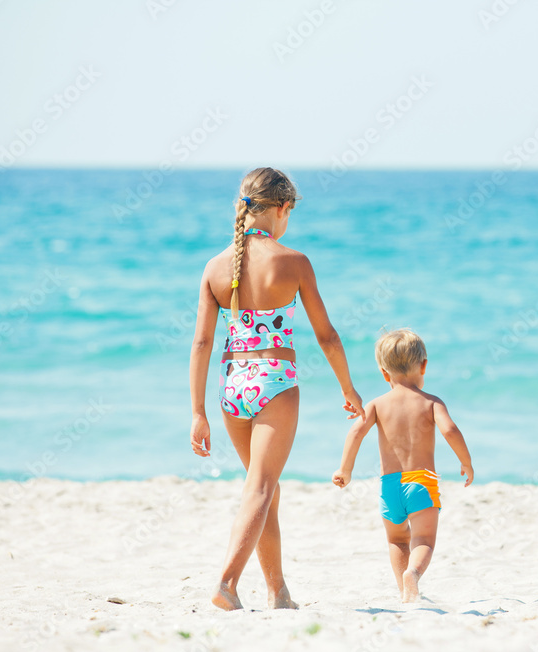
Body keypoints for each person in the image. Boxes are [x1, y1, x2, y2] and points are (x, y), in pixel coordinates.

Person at [189, 167, 364, 611]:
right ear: (282, 209)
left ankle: (277, 592)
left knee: (263, 486)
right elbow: (326, 335)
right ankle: (227, 583)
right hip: (274, 382)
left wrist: (198, 411)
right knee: (262, 488)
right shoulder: (294, 262)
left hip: (233, 388)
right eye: (290, 213)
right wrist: (349, 388)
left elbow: (202, 344)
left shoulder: (214, 266)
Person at [332, 329, 473, 602]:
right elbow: (451, 431)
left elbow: (355, 433)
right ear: (423, 365)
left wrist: (345, 470)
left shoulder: (376, 404)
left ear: (384, 374)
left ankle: (404, 592)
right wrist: (465, 461)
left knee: (396, 540)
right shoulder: (432, 402)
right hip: (421, 482)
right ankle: (414, 575)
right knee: (424, 541)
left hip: (389, 486)